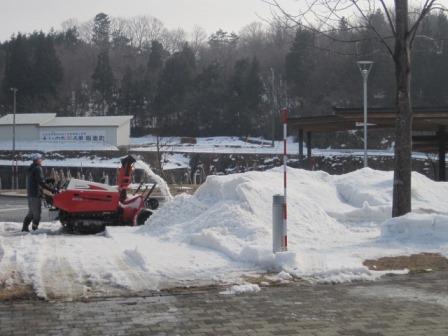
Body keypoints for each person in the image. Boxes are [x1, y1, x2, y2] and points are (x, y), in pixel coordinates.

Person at [22, 153, 54, 232]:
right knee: (37, 214)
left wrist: (48, 180)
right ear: (37, 160)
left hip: (30, 194)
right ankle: (34, 229)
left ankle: (25, 228)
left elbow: (37, 180)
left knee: (31, 212)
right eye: (40, 159)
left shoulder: (31, 168)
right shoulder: (38, 168)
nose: (42, 160)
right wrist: (51, 189)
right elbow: (41, 182)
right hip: (35, 194)